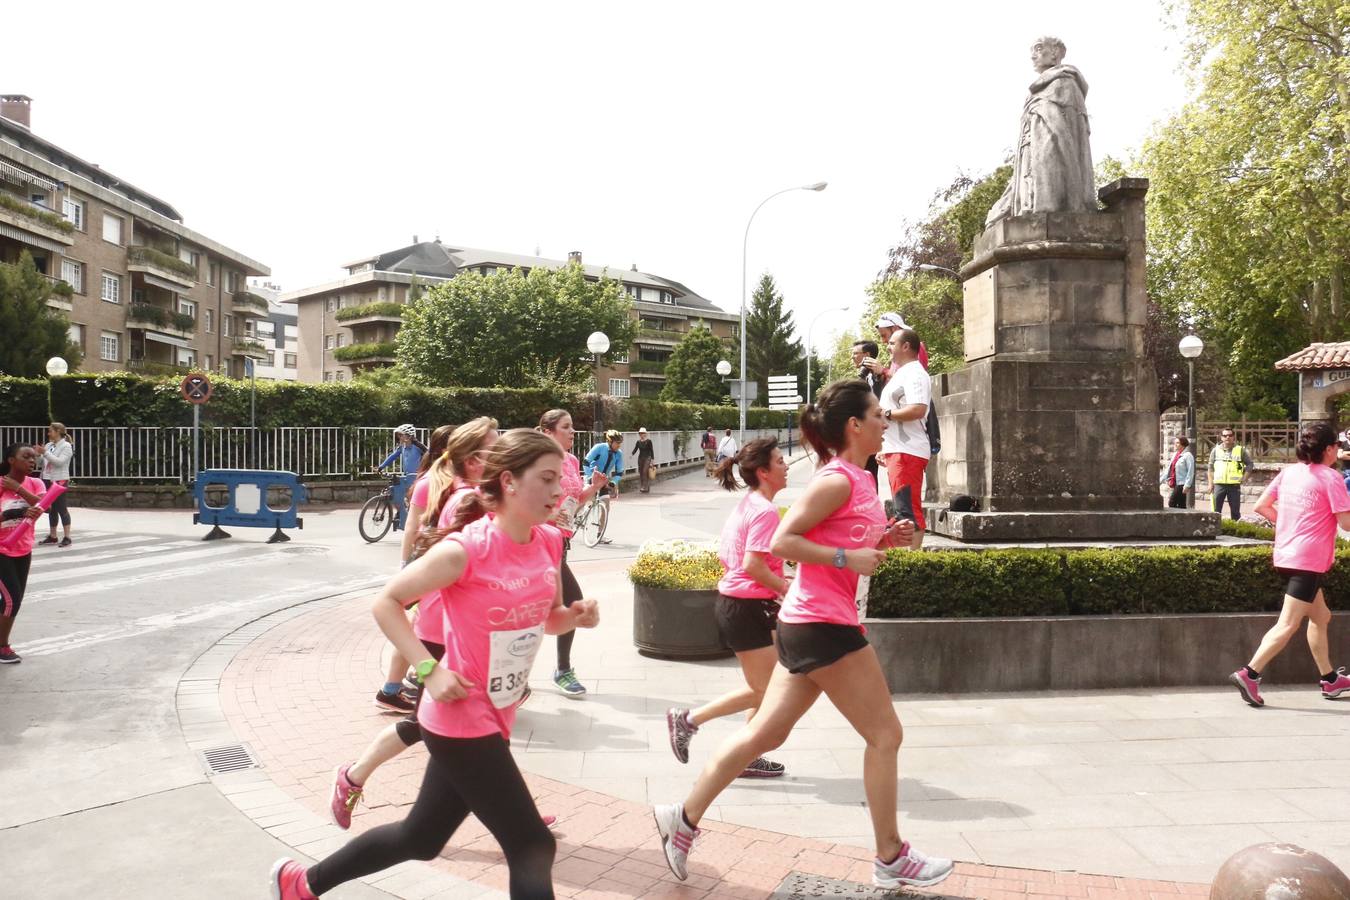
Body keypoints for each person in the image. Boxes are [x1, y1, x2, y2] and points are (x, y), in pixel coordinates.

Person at [270, 429, 600, 900]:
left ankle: (301, 884)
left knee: (421, 839)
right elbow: (387, 602)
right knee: (532, 844)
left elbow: (548, 620)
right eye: (546, 479)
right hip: (461, 718)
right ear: (508, 481)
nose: (559, 490)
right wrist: (429, 669)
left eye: (559, 479)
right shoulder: (465, 550)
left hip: (498, 713)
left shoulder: (547, 541)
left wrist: (575, 617)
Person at [652, 380, 950, 892]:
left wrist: (885, 539)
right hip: (822, 623)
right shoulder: (835, 479)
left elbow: (847, 543)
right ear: (854, 425)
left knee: (764, 735)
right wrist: (847, 558)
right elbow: (781, 542)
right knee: (885, 736)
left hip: (810, 621)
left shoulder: (861, 478)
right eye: (878, 414)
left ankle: (682, 817)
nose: (885, 421)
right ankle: (891, 855)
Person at [333, 420, 502, 828]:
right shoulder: (467, 500)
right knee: (430, 724)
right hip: (446, 627)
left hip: (458, 626)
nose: (503, 454)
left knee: (477, 723)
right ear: (474, 459)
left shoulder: (470, 492)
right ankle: (353, 776)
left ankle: (509, 809)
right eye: (495, 447)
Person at [666, 437, 792, 779]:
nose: (786, 466)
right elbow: (752, 564)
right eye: (780, 461)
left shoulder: (751, 503)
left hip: (748, 604)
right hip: (745, 606)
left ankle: (749, 754)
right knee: (765, 689)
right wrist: (785, 587)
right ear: (763, 472)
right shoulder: (764, 511)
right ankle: (689, 720)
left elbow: (739, 559)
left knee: (768, 687)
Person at [1228, 422, 1350, 707]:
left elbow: (1261, 506)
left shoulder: (1289, 472)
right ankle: (1249, 673)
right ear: (1329, 449)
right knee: (1288, 623)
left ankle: (1330, 679)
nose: (1339, 450)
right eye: (1337, 446)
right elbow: (1346, 523)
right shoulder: (1331, 478)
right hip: (1309, 560)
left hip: (1286, 555)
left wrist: (1290, 524)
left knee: (1321, 617)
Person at [984, 36, 1096, 225]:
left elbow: (1069, 136)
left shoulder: (1065, 83)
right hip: (1030, 156)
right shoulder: (1039, 89)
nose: (1033, 56)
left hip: (1052, 160)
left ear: (1055, 52)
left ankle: (1047, 210)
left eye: (1038, 49)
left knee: (1044, 206)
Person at [538, 410, 609, 699]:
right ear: (548, 431)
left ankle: (556, 670)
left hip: (560, 543)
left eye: (572, 427)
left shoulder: (571, 461)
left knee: (559, 604)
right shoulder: (534, 460)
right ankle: (559, 670)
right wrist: (546, 517)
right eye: (566, 427)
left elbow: (574, 501)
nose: (572, 432)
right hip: (535, 542)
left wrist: (594, 487)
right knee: (566, 602)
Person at [878, 328, 930, 549]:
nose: (887, 347)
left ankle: (913, 559)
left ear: (906, 346)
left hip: (907, 451)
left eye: (892, 343)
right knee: (902, 508)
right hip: (898, 450)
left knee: (907, 510)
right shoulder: (902, 373)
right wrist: (884, 448)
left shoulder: (915, 374)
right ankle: (909, 557)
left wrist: (886, 414)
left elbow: (918, 409)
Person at [0, 443, 45, 664]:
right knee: (12, 601)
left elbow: (46, 506)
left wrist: (18, 488)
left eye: (33, 457)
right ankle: (2, 647)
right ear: (11, 460)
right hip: (1, 549)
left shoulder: (35, 483)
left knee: (10, 600)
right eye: (26, 456)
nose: (32, 461)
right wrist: (17, 512)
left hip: (23, 549)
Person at [377, 424, 427, 531]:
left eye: (401, 435)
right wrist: (381, 467)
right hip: (408, 476)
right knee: (397, 493)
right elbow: (393, 456)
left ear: (408, 436)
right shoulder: (402, 447)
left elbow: (430, 455)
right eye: (398, 435)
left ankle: (413, 519)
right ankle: (402, 513)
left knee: (411, 498)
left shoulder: (418, 446)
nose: (399, 437)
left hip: (418, 476)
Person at [852, 340, 884, 486]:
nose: (852, 357)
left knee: (869, 474)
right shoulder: (865, 377)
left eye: (855, 353)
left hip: (872, 431)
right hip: (864, 432)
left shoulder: (879, 377)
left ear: (867, 355)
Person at [36, 422, 73, 547]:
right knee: (52, 509)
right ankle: (53, 536)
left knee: (61, 508)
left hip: (59, 479)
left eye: (50, 431)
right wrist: (38, 455)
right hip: (47, 478)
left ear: (58, 432)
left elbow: (59, 462)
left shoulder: (66, 446)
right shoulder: (49, 445)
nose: (48, 433)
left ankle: (67, 537)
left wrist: (45, 453)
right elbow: (41, 463)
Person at [1210, 428, 1254, 521]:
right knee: (1215, 511)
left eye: (1230, 435)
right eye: (1225, 435)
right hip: (1219, 484)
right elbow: (1210, 467)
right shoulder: (1215, 450)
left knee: (1235, 511)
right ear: (1221, 437)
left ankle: (1235, 528)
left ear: (1233, 437)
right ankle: (1215, 528)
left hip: (1234, 486)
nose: (1227, 437)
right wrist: (1210, 484)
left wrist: (1245, 478)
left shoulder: (1240, 450)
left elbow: (1250, 464)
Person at [584, 430, 624, 501]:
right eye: (617, 443)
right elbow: (586, 462)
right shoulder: (599, 447)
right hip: (591, 478)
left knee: (606, 503)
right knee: (588, 500)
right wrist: (590, 476)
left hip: (603, 481)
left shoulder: (619, 453)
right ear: (610, 441)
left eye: (620, 443)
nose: (619, 445)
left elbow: (619, 472)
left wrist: (613, 482)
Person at [1161, 436, 1195, 509]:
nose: (1175, 445)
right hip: (1175, 482)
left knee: (1172, 502)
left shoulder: (1188, 455)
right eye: (1175, 443)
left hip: (1182, 483)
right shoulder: (1175, 455)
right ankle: (1183, 516)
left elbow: (1190, 471)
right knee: (1181, 504)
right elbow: (1169, 468)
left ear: (1183, 444)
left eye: (1177, 443)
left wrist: (1187, 485)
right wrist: (1161, 480)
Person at [635, 427, 655, 493]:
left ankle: (644, 486)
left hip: (647, 458)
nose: (641, 434)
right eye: (640, 433)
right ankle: (644, 486)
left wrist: (652, 460)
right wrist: (631, 454)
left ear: (645, 434)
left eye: (643, 433)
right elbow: (635, 449)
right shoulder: (638, 442)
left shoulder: (649, 441)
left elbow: (651, 450)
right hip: (640, 458)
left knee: (645, 471)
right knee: (641, 472)